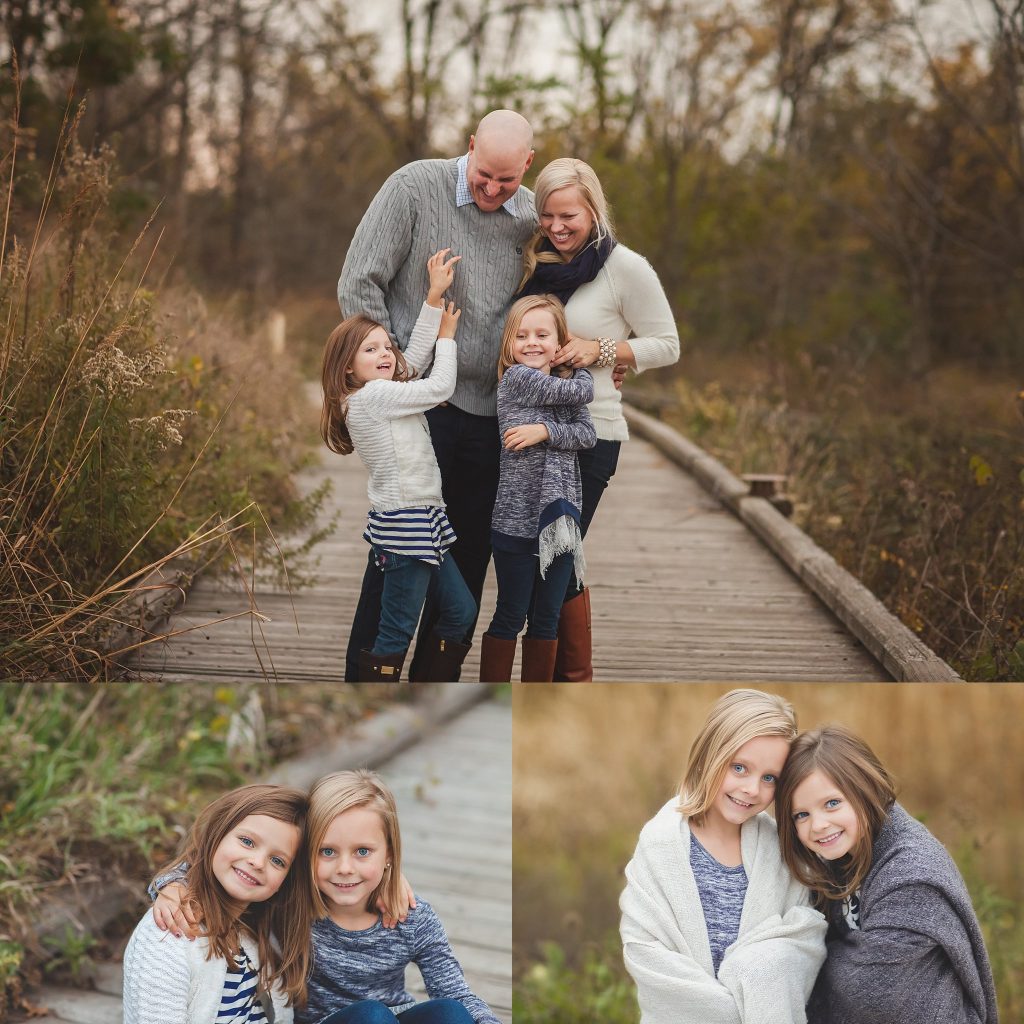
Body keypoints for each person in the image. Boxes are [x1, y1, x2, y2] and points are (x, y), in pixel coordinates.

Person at [338, 110, 537, 682]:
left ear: (527, 165)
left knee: (466, 566)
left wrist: (606, 355)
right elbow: (358, 283)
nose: (494, 190)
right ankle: (366, 683)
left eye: (507, 179)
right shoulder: (412, 187)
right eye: (483, 175)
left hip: (492, 418)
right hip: (420, 411)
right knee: (399, 558)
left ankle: (433, 693)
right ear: (470, 146)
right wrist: (398, 377)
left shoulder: (529, 216)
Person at [150, 772, 497, 1024]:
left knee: (452, 1013)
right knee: (371, 1018)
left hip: (395, 1017)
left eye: (363, 851)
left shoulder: (412, 917)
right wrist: (172, 884)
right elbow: (220, 873)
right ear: (304, 854)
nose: (345, 868)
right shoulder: (290, 901)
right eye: (327, 851)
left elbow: (456, 992)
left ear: (389, 853)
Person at [517, 157, 680, 679]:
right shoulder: (530, 263)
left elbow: (667, 344)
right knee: (538, 559)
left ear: (594, 210)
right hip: (527, 435)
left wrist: (602, 349)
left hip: (591, 436)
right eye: (547, 215)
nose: (558, 227)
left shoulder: (624, 268)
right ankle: (565, 675)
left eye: (570, 216)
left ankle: (568, 677)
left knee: (557, 558)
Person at [619, 689, 826, 1023]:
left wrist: (759, 974)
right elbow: (645, 949)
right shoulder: (661, 844)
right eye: (739, 768)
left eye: (769, 778)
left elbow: (801, 940)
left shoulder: (780, 851)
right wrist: (730, 1013)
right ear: (709, 757)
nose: (752, 789)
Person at [775, 726, 999, 1024]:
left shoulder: (912, 875)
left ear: (866, 789)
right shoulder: (842, 856)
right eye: (801, 814)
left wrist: (799, 962)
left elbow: (871, 990)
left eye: (832, 804)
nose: (818, 825)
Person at [322, 250, 475, 682]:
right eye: (370, 350)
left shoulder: (380, 390)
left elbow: (412, 361)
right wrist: (448, 336)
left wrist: (433, 297)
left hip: (424, 517)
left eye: (386, 345)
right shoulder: (372, 398)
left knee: (460, 611)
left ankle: (431, 685)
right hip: (407, 522)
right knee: (396, 634)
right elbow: (439, 382)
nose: (386, 354)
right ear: (347, 367)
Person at [122, 784, 313, 1024]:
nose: (257, 862)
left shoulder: (260, 924)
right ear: (217, 833)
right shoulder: (170, 934)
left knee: (369, 1014)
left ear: (287, 880)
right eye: (247, 841)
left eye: (277, 860)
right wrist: (172, 883)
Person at [478, 294, 595, 682]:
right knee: (511, 614)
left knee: (546, 620)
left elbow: (588, 435)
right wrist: (579, 367)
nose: (532, 342)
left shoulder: (562, 385)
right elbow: (580, 395)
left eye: (542, 335)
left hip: (560, 522)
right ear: (509, 345)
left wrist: (544, 430)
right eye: (522, 335)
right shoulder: (516, 379)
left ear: (558, 343)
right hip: (516, 520)